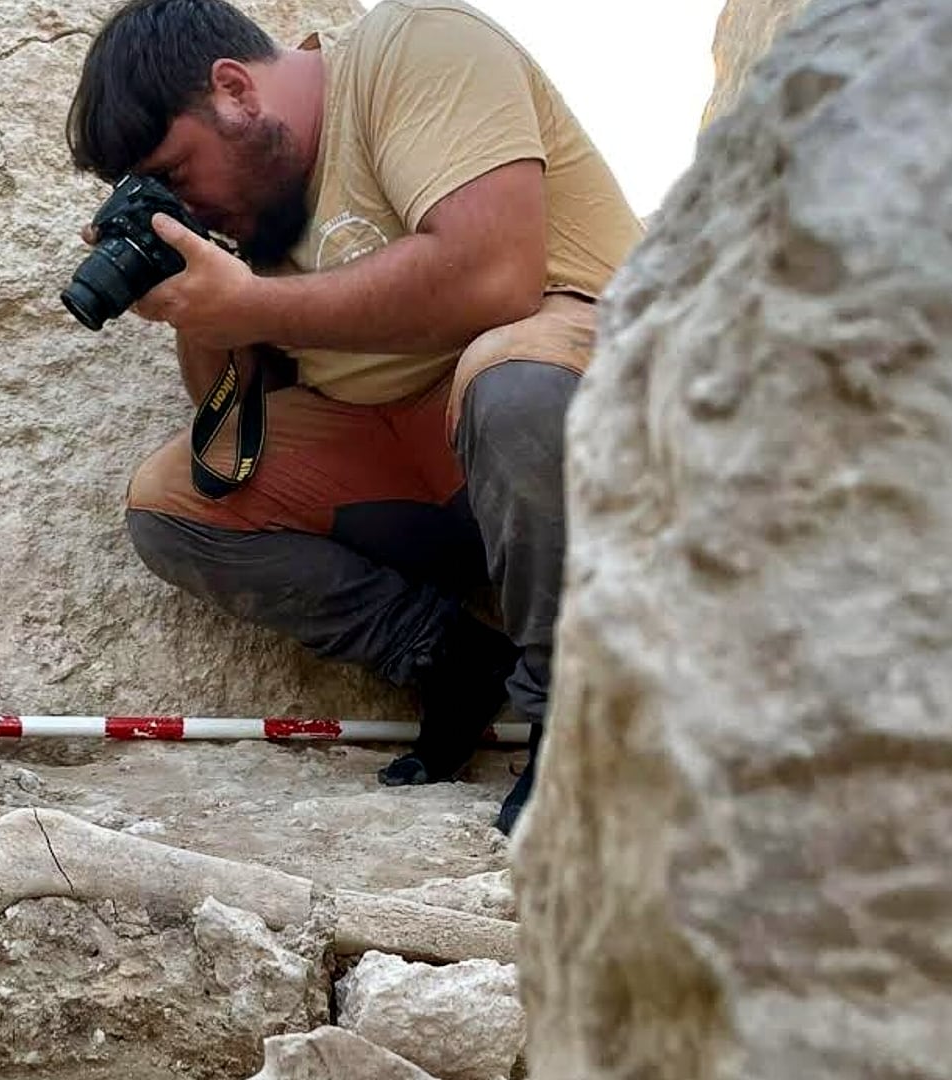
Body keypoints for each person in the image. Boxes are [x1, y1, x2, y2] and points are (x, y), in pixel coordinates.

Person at [65, 0, 641, 833]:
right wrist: (198, 300)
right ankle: (453, 663)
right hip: (421, 462)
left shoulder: (416, 45)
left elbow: (496, 277)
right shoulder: (256, 208)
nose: (186, 200)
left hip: (580, 397)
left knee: (510, 382)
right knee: (173, 507)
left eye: (177, 172)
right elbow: (228, 413)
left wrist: (256, 302)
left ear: (234, 90)